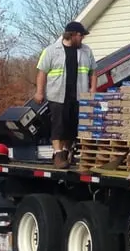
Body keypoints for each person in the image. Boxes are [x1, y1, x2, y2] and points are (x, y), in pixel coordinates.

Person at [35, 21, 97, 169]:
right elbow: (42, 73)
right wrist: (39, 92)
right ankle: (58, 154)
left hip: (78, 95)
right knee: (58, 126)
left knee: (72, 127)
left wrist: (93, 89)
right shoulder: (51, 51)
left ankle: (66, 153)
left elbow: (93, 71)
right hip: (58, 95)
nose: (82, 39)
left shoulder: (86, 51)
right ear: (73, 35)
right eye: (81, 36)